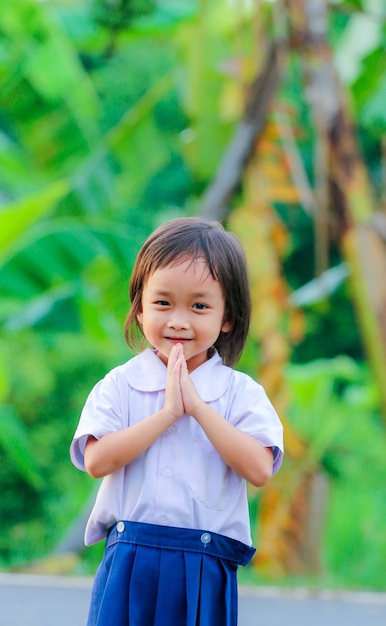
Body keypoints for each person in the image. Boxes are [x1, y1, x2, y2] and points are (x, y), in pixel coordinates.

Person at [70, 217, 283, 626]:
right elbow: (96, 462)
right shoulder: (120, 384)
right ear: (140, 307)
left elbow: (259, 468)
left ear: (228, 318)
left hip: (206, 562)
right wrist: (168, 413)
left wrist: (198, 409)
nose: (179, 320)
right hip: (131, 557)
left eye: (199, 306)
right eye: (163, 303)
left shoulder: (240, 393)